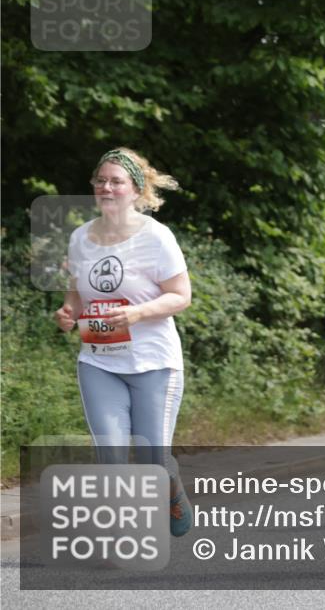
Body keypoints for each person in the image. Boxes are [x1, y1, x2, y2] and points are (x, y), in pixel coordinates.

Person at [53, 147, 193, 537]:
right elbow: (77, 291)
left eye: (117, 181)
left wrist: (137, 313)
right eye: (101, 180)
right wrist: (68, 311)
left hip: (154, 363)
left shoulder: (156, 237)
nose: (107, 187)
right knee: (110, 458)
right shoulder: (81, 237)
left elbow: (181, 296)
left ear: (135, 190)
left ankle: (170, 483)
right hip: (99, 360)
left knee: (153, 462)